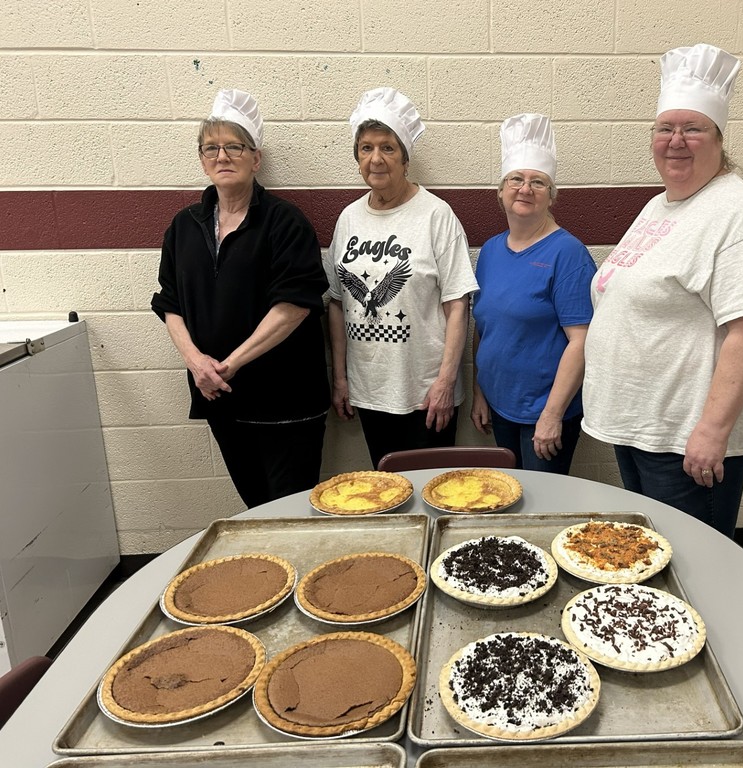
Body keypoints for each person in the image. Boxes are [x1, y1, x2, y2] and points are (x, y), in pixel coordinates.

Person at [582, 44, 743, 538]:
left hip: (686, 445)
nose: (676, 141)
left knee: (696, 571)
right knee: (652, 559)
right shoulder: (661, 206)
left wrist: (712, 431)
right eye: (665, 128)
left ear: (719, 138)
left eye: (692, 128)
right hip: (641, 430)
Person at [152, 89, 330, 508]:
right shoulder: (185, 226)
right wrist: (198, 364)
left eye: (234, 146)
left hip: (285, 401)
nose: (222, 156)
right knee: (254, 507)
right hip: (220, 397)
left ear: (256, 159)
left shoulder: (284, 222)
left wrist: (228, 365)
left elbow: (294, 306)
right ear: (201, 159)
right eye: (211, 148)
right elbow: (170, 303)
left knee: (290, 511)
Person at [324, 87, 478, 470]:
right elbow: (338, 302)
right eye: (366, 148)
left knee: (433, 495)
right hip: (370, 390)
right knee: (387, 493)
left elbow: (458, 304)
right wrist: (341, 379)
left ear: (405, 158)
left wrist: (445, 383)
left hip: (425, 394)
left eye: (387, 148)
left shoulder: (436, 216)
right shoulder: (348, 219)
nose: (376, 159)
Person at [471, 114, 595, 473]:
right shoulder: (491, 250)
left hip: (545, 411)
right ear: (500, 191)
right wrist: (480, 391)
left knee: (541, 505)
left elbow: (581, 341)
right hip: (499, 403)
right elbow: (483, 327)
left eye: (538, 182)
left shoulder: (567, 254)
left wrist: (552, 415)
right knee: (510, 495)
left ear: (551, 197)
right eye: (516, 179)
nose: (525, 189)